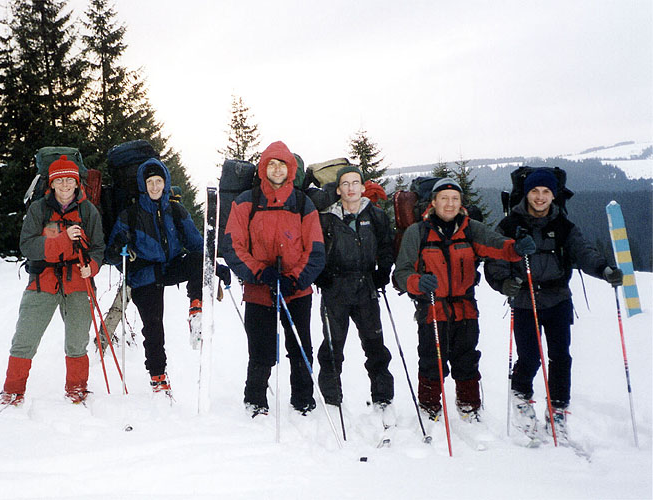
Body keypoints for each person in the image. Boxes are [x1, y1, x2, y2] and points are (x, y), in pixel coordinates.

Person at [484, 169, 623, 439]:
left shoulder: (563, 225)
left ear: (553, 195)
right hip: (525, 300)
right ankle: (522, 399)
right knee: (530, 357)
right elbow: (495, 258)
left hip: (557, 298)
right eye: (535, 191)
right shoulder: (510, 226)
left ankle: (558, 409)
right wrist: (503, 283)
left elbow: (582, 251)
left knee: (560, 357)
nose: (540, 197)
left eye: (546, 192)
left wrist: (604, 269)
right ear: (526, 193)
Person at [393, 178, 537, 422]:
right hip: (432, 308)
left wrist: (516, 248)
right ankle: (429, 407)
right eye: (444, 198)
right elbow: (401, 273)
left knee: (467, 358)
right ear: (434, 202)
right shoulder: (417, 232)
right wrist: (418, 283)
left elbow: (496, 245)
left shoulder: (471, 228)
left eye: (455, 199)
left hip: (466, 308)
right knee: (431, 361)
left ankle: (469, 405)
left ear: (461, 203)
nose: (450, 204)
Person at [105, 158, 227, 395]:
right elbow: (111, 255)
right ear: (143, 184)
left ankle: (196, 310)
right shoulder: (130, 214)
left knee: (195, 261)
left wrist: (213, 266)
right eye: (150, 182)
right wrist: (118, 246)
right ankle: (158, 377)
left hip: (170, 266)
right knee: (153, 326)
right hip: (144, 275)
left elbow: (196, 245)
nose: (154, 187)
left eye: (158, 181)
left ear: (165, 182)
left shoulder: (175, 210)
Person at [222, 141, 325, 417]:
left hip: (296, 291)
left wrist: (295, 280)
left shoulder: (303, 203)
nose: (277, 169)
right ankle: (255, 401)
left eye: (282, 164)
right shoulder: (246, 202)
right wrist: (260, 272)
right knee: (260, 350)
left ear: (291, 169)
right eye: (271, 164)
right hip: (259, 290)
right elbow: (233, 246)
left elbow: (315, 251)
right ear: (263, 168)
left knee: (300, 347)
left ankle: (303, 400)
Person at [0, 155, 105, 407]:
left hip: (79, 281)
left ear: (78, 183)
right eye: (61, 180)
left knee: (77, 340)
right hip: (42, 280)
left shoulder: (88, 210)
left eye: (70, 180)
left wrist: (93, 266)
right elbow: (27, 246)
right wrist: (64, 239)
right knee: (25, 338)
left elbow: (99, 247)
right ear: (52, 184)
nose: (66, 185)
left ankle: (77, 389)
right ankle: (13, 391)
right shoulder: (39, 209)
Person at [314, 166, 395, 411]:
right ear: (338, 189)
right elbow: (313, 248)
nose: (351, 188)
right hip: (335, 287)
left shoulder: (375, 215)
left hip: (365, 286)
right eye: (345, 184)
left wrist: (384, 270)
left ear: (362, 186)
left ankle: (382, 397)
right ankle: (331, 398)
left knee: (375, 344)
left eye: (355, 183)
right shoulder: (326, 217)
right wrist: (320, 275)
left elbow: (386, 245)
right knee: (332, 345)